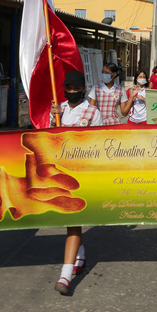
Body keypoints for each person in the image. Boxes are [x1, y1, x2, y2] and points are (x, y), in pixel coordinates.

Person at [49, 70, 102, 294]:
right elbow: (48, 139)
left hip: (81, 173)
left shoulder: (92, 112)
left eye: (75, 88)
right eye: (67, 88)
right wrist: (52, 119)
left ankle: (65, 275)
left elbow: (99, 143)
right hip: (59, 171)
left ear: (82, 88)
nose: (71, 92)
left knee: (73, 220)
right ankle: (79, 256)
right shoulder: (57, 109)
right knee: (71, 221)